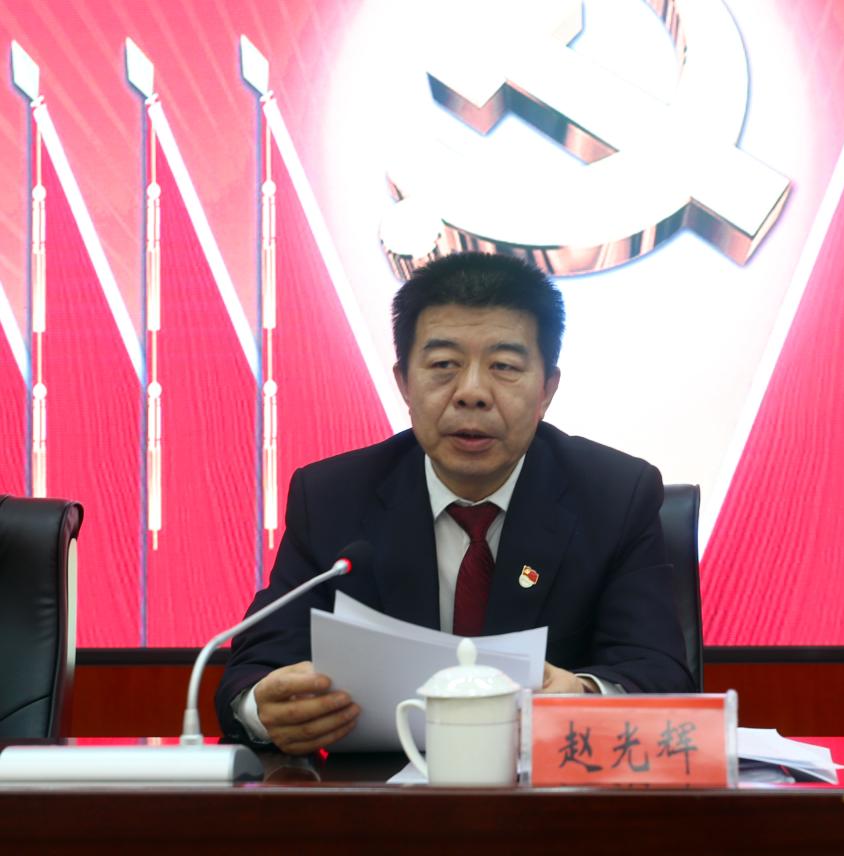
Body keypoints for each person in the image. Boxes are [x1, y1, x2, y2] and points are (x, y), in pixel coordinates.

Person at [215, 251, 692, 754]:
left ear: (547, 390)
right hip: (377, 794)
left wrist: (582, 697)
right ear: (404, 382)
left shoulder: (615, 495)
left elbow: (658, 673)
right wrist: (263, 709)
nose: (472, 393)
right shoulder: (332, 497)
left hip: (551, 792)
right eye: (444, 365)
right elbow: (255, 668)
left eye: (504, 367)